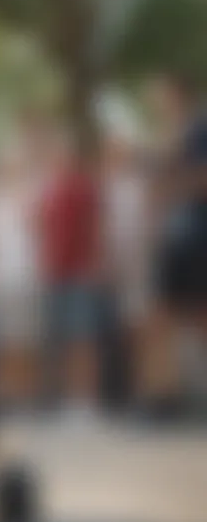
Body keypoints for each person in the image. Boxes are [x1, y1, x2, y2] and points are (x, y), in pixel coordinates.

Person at [147, 73, 207, 419]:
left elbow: (200, 178)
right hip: (174, 234)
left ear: (177, 94)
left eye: (161, 93)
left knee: (197, 315)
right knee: (164, 313)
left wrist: (171, 184)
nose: (156, 101)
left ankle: (179, 397)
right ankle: (166, 397)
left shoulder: (199, 129)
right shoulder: (166, 136)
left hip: (197, 231)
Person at [39, 131, 102, 419]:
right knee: (65, 336)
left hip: (79, 271)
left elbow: (96, 226)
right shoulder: (49, 189)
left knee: (82, 338)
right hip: (54, 273)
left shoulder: (83, 186)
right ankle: (69, 401)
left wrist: (94, 264)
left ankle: (85, 402)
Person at [0, 147, 42, 410]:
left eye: (15, 167)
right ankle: (5, 397)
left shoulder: (33, 199)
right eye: (6, 167)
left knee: (25, 341)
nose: (10, 172)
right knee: (1, 341)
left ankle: (25, 397)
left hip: (26, 278)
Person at [100, 135, 151, 409]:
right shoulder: (105, 188)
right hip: (111, 272)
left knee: (138, 333)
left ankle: (143, 394)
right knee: (115, 334)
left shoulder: (139, 186)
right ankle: (121, 394)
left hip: (138, 270)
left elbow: (147, 228)